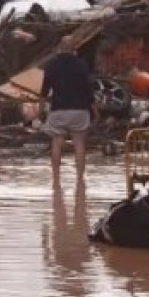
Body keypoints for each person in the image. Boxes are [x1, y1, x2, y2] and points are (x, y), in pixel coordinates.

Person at [41, 35, 97, 195]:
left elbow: (44, 91)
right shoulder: (81, 65)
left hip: (58, 109)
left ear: (60, 47)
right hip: (79, 110)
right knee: (79, 142)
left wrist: (40, 110)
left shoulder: (51, 65)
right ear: (74, 49)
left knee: (57, 142)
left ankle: (56, 179)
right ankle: (80, 179)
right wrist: (94, 109)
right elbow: (88, 89)